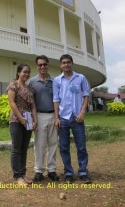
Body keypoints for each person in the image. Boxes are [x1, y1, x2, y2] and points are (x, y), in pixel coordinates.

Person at [53, 54, 91, 184]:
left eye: (68, 62)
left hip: (77, 117)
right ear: (60, 65)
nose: (66, 64)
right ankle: (68, 173)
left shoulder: (80, 78)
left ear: (72, 64)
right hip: (63, 118)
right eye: (63, 62)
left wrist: (82, 112)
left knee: (81, 146)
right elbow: (56, 99)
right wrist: (56, 117)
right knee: (64, 147)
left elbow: (86, 95)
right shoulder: (57, 80)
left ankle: (83, 172)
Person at [28, 55, 59, 182]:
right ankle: (38, 171)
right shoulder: (32, 82)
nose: (42, 67)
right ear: (37, 67)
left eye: (45, 64)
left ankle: (51, 170)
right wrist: (33, 119)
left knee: (53, 144)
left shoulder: (55, 81)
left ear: (48, 65)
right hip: (39, 116)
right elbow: (30, 102)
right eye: (40, 65)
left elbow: (58, 99)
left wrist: (57, 117)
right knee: (39, 145)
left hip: (53, 115)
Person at [7, 64, 38, 186]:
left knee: (24, 149)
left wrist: (35, 120)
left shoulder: (30, 89)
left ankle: (23, 173)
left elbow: (33, 106)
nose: (26, 74)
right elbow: (12, 103)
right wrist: (20, 118)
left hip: (28, 121)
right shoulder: (13, 85)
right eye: (24, 72)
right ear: (18, 72)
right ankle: (17, 177)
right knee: (16, 148)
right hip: (16, 120)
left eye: (28, 72)